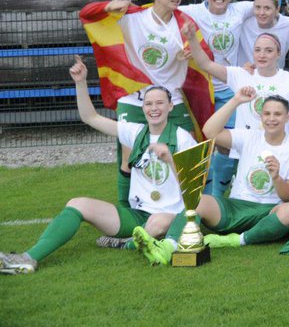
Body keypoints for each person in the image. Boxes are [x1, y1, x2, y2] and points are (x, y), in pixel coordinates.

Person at [0, 57, 196, 275]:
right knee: (78, 203)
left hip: (168, 215)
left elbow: (194, 191)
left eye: (160, 103)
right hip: (137, 215)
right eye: (148, 104)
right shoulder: (135, 132)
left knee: (157, 224)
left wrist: (170, 159)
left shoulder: (183, 139)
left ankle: (127, 243)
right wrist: (80, 82)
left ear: (170, 106)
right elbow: (90, 117)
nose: (154, 108)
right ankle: (28, 258)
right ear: (143, 108)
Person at [131, 86, 289, 264]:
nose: (271, 119)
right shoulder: (249, 136)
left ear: (288, 117)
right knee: (199, 200)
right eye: (267, 114)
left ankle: (237, 240)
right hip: (234, 207)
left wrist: (276, 177)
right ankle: (168, 247)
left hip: (268, 211)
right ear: (261, 116)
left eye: (277, 114)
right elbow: (210, 132)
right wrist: (235, 101)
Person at [92, 0, 199, 209]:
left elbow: (200, 57)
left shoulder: (184, 23)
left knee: (189, 152)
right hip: (134, 98)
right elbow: (90, 16)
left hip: (171, 98)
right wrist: (107, 6)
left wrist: (188, 56)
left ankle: (191, 209)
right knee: (129, 159)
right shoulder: (134, 17)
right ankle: (125, 213)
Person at [178, 0, 254, 194]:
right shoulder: (193, 11)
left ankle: (220, 192)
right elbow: (165, 10)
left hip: (229, 89)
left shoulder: (240, 10)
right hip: (201, 89)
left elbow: (267, 3)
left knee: (227, 142)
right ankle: (202, 192)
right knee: (201, 141)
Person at [237, 0, 289, 69]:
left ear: (277, 10)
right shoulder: (243, 24)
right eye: (258, 7)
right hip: (248, 77)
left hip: (275, 77)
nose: (261, 13)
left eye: (267, 8)